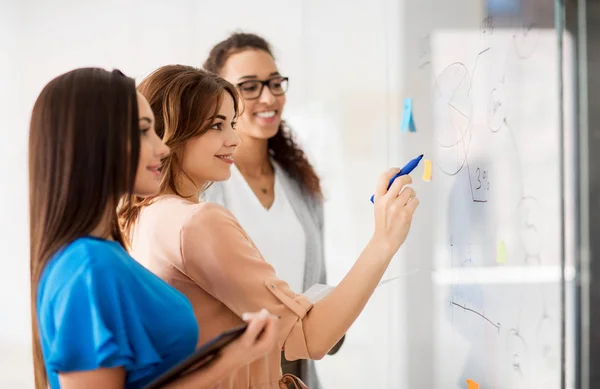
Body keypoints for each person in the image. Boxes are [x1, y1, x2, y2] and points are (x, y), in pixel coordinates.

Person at [119, 65, 419, 389]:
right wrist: (384, 240)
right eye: (216, 125)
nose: (233, 139)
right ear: (171, 131)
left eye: (231, 123)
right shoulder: (197, 222)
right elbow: (310, 337)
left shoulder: (136, 217)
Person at [29, 67, 279, 389]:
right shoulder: (88, 266)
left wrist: (233, 355)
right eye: (144, 131)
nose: (162, 148)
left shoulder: (103, 255)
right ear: (96, 143)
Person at [201, 33, 337, 387]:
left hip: (294, 372)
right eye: (249, 86)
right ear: (219, 98)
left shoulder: (301, 186)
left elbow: (318, 282)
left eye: (275, 83)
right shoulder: (203, 188)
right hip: (232, 375)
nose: (269, 96)